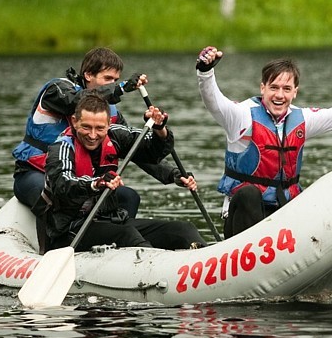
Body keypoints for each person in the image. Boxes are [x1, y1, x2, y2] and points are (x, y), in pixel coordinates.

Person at [195, 45, 332, 238]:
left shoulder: (302, 119)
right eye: (274, 88)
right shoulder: (241, 116)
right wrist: (206, 72)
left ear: (295, 92)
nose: (279, 95)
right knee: (249, 193)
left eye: (286, 89)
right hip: (243, 221)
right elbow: (214, 102)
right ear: (263, 88)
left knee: (320, 191)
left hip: (282, 215)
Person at [12, 47, 196, 217]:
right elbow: (76, 101)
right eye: (108, 79)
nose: (112, 84)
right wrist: (122, 88)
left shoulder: (109, 114)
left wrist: (173, 174)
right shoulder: (57, 90)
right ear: (88, 75)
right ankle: (51, 244)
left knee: (129, 197)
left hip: (81, 182)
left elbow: (133, 151)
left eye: (115, 80)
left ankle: (117, 242)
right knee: (56, 199)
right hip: (34, 174)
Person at [33, 91, 206, 252]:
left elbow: (151, 150)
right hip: (69, 230)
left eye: (100, 128)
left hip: (109, 220)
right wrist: (96, 183)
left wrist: (159, 129)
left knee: (183, 230)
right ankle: (152, 269)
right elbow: (63, 184)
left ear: (109, 124)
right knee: (126, 234)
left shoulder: (116, 135)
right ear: (74, 121)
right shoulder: (61, 148)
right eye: (86, 127)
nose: (93, 135)